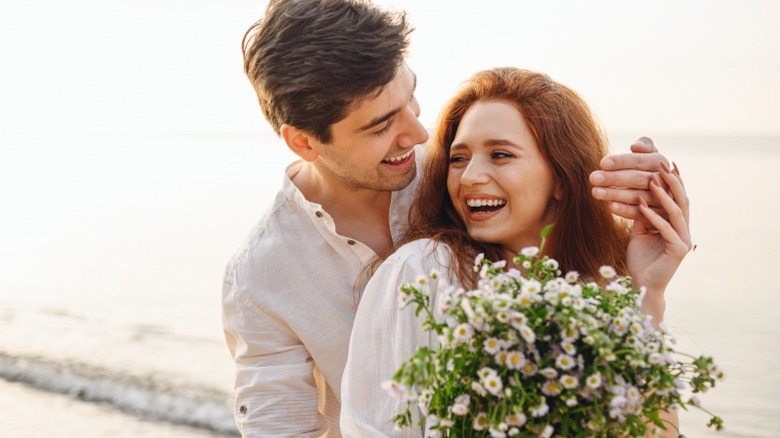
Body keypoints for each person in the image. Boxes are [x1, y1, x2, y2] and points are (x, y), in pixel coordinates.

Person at [222, 1, 681, 436]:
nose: (420, 134)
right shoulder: (262, 276)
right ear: (304, 142)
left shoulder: (459, 175)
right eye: (382, 126)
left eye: (412, 98)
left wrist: (628, 214)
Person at [340, 67, 691, 437]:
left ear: (561, 177)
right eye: (458, 158)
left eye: (501, 154)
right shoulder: (426, 271)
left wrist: (647, 295)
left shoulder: (597, 293)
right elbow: (375, 426)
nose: (470, 176)